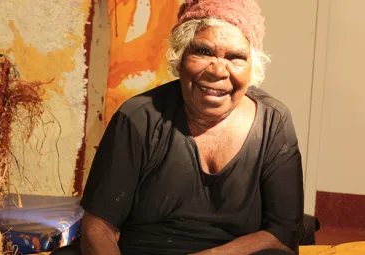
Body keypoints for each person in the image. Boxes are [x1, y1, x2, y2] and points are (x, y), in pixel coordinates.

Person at [52, 0, 304, 254]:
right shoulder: (139, 118)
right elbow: (99, 227)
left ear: (253, 66)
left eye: (236, 57)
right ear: (180, 56)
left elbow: (282, 233)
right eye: (203, 52)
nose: (218, 70)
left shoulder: (274, 122)